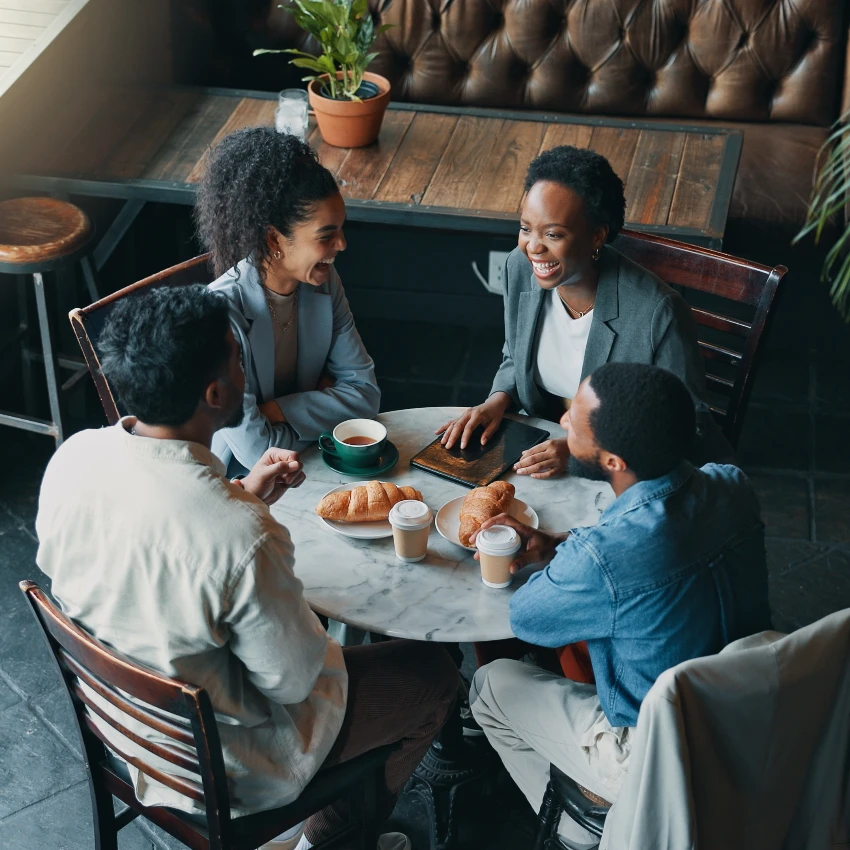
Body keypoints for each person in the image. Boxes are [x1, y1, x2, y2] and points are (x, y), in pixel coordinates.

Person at [35, 286, 457, 850]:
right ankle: (331, 839)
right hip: (223, 767)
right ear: (214, 393)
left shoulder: (74, 458)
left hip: (125, 727)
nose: (246, 370)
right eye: (239, 358)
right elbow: (294, 680)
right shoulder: (241, 534)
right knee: (433, 675)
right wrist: (243, 521)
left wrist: (241, 495)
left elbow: (148, 535)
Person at [469, 363, 771, 849]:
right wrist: (559, 545)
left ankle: (585, 833)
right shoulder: (733, 486)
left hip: (654, 759)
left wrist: (575, 557)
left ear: (611, 460)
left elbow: (526, 618)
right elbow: (655, 543)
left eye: (574, 421)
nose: (562, 422)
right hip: (749, 720)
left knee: (490, 685)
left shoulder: (601, 557)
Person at [437, 145, 732, 477]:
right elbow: (514, 355)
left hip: (630, 472)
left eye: (553, 234)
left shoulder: (657, 313)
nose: (533, 247)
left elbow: (686, 425)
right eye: (526, 228)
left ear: (597, 236)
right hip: (538, 448)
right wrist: (498, 399)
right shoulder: (518, 268)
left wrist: (580, 451)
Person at [195, 128, 380, 476]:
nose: (342, 245)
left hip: (314, 462)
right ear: (273, 239)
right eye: (326, 235)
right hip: (238, 477)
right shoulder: (220, 313)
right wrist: (323, 404)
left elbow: (366, 396)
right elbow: (256, 451)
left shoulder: (324, 283)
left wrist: (276, 411)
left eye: (341, 229)